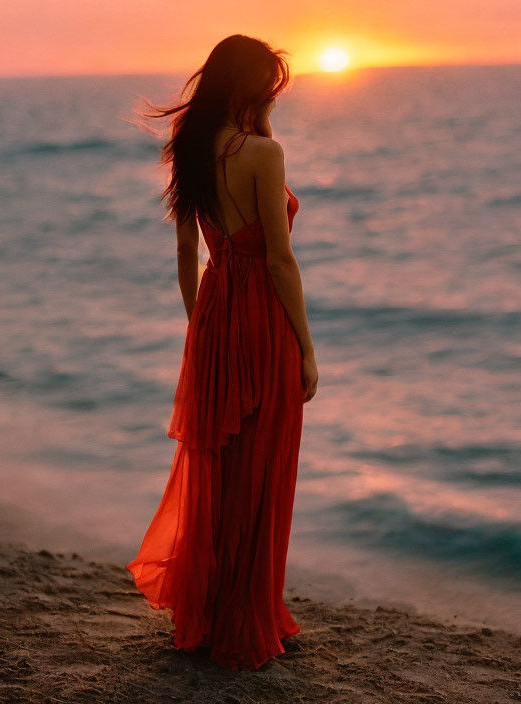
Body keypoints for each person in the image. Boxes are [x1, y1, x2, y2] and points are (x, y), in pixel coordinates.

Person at [125, 34, 318, 671]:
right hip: (261, 312)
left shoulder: (189, 150)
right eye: (266, 88)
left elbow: (189, 254)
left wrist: (199, 327)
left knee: (225, 466)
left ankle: (211, 612)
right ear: (247, 87)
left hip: (214, 313)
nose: (271, 98)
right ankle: (247, 614)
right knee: (263, 466)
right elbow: (279, 259)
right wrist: (307, 351)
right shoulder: (264, 153)